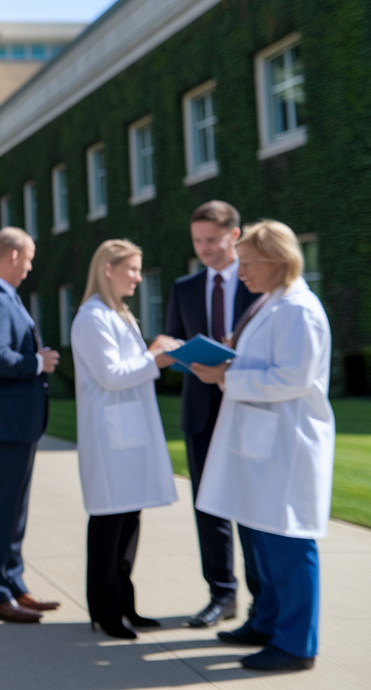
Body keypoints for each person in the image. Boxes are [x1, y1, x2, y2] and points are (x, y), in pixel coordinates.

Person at [191, 220, 333, 672]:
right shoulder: (270, 303)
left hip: (286, 447)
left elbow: (293, 378)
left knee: (288, 542)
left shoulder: (299, 310)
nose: (242, 270)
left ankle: (296, 644)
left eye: (249, 262)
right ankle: (267, 620)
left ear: (277, 261)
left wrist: (226, 376)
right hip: (261, 444)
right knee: (262, 537)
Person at [70, 239, 181, 639]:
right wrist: (157, 357)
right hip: (109, 438)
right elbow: (112, 375)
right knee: (109, 525)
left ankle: (126, 605)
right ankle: (105, 610)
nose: (137, 277)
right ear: (108, 269)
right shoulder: (91, 318)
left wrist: (154, 354)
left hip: (128, 435)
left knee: (129, 522)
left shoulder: (120, 315)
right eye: (132, 269)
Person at [165, 200, 261, 628]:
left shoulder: (258, 284)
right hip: (201, 413)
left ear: (234, 236)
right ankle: (221, 595)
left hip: (250, 410)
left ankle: (263, 599)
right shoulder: (184, 288)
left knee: (254, 508)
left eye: (212, 240)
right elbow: (174, 341)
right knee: (209, 507)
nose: (203, 249)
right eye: (197, 241)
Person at [0, 226, 62, 624]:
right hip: (3, 423)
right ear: (12, 256)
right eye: (28, 258)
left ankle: (14, 585)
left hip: (17, 423)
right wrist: (38, 362)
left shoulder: (6, 298)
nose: (30, 266)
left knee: (14, 513)